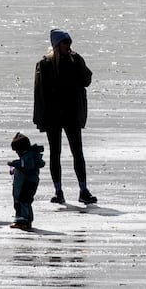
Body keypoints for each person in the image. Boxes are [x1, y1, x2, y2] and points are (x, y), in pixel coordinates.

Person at [33, 29, 97, 205]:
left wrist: (79, 62)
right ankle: (58, 191)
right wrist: (40, 117)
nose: (68, 46)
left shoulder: (75, 60)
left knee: (78, 152)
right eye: (65, 43)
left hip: (72, 114)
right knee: (56, 153)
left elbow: (87, 80)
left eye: (69, 42)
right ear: (56, 45)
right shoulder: (45, 64)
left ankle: (83, 190)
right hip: (53, 116)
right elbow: (39, 92)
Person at [8, 132, 45, 231]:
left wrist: (15, 163)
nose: (16, 153)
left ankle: (23, 220)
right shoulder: (29, 155)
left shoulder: (28, 157)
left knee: (23, 200)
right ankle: (26, 219)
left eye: (17, 150)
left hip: (27, 182)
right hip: (28, 182)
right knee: (25, 201)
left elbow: (27, 165)